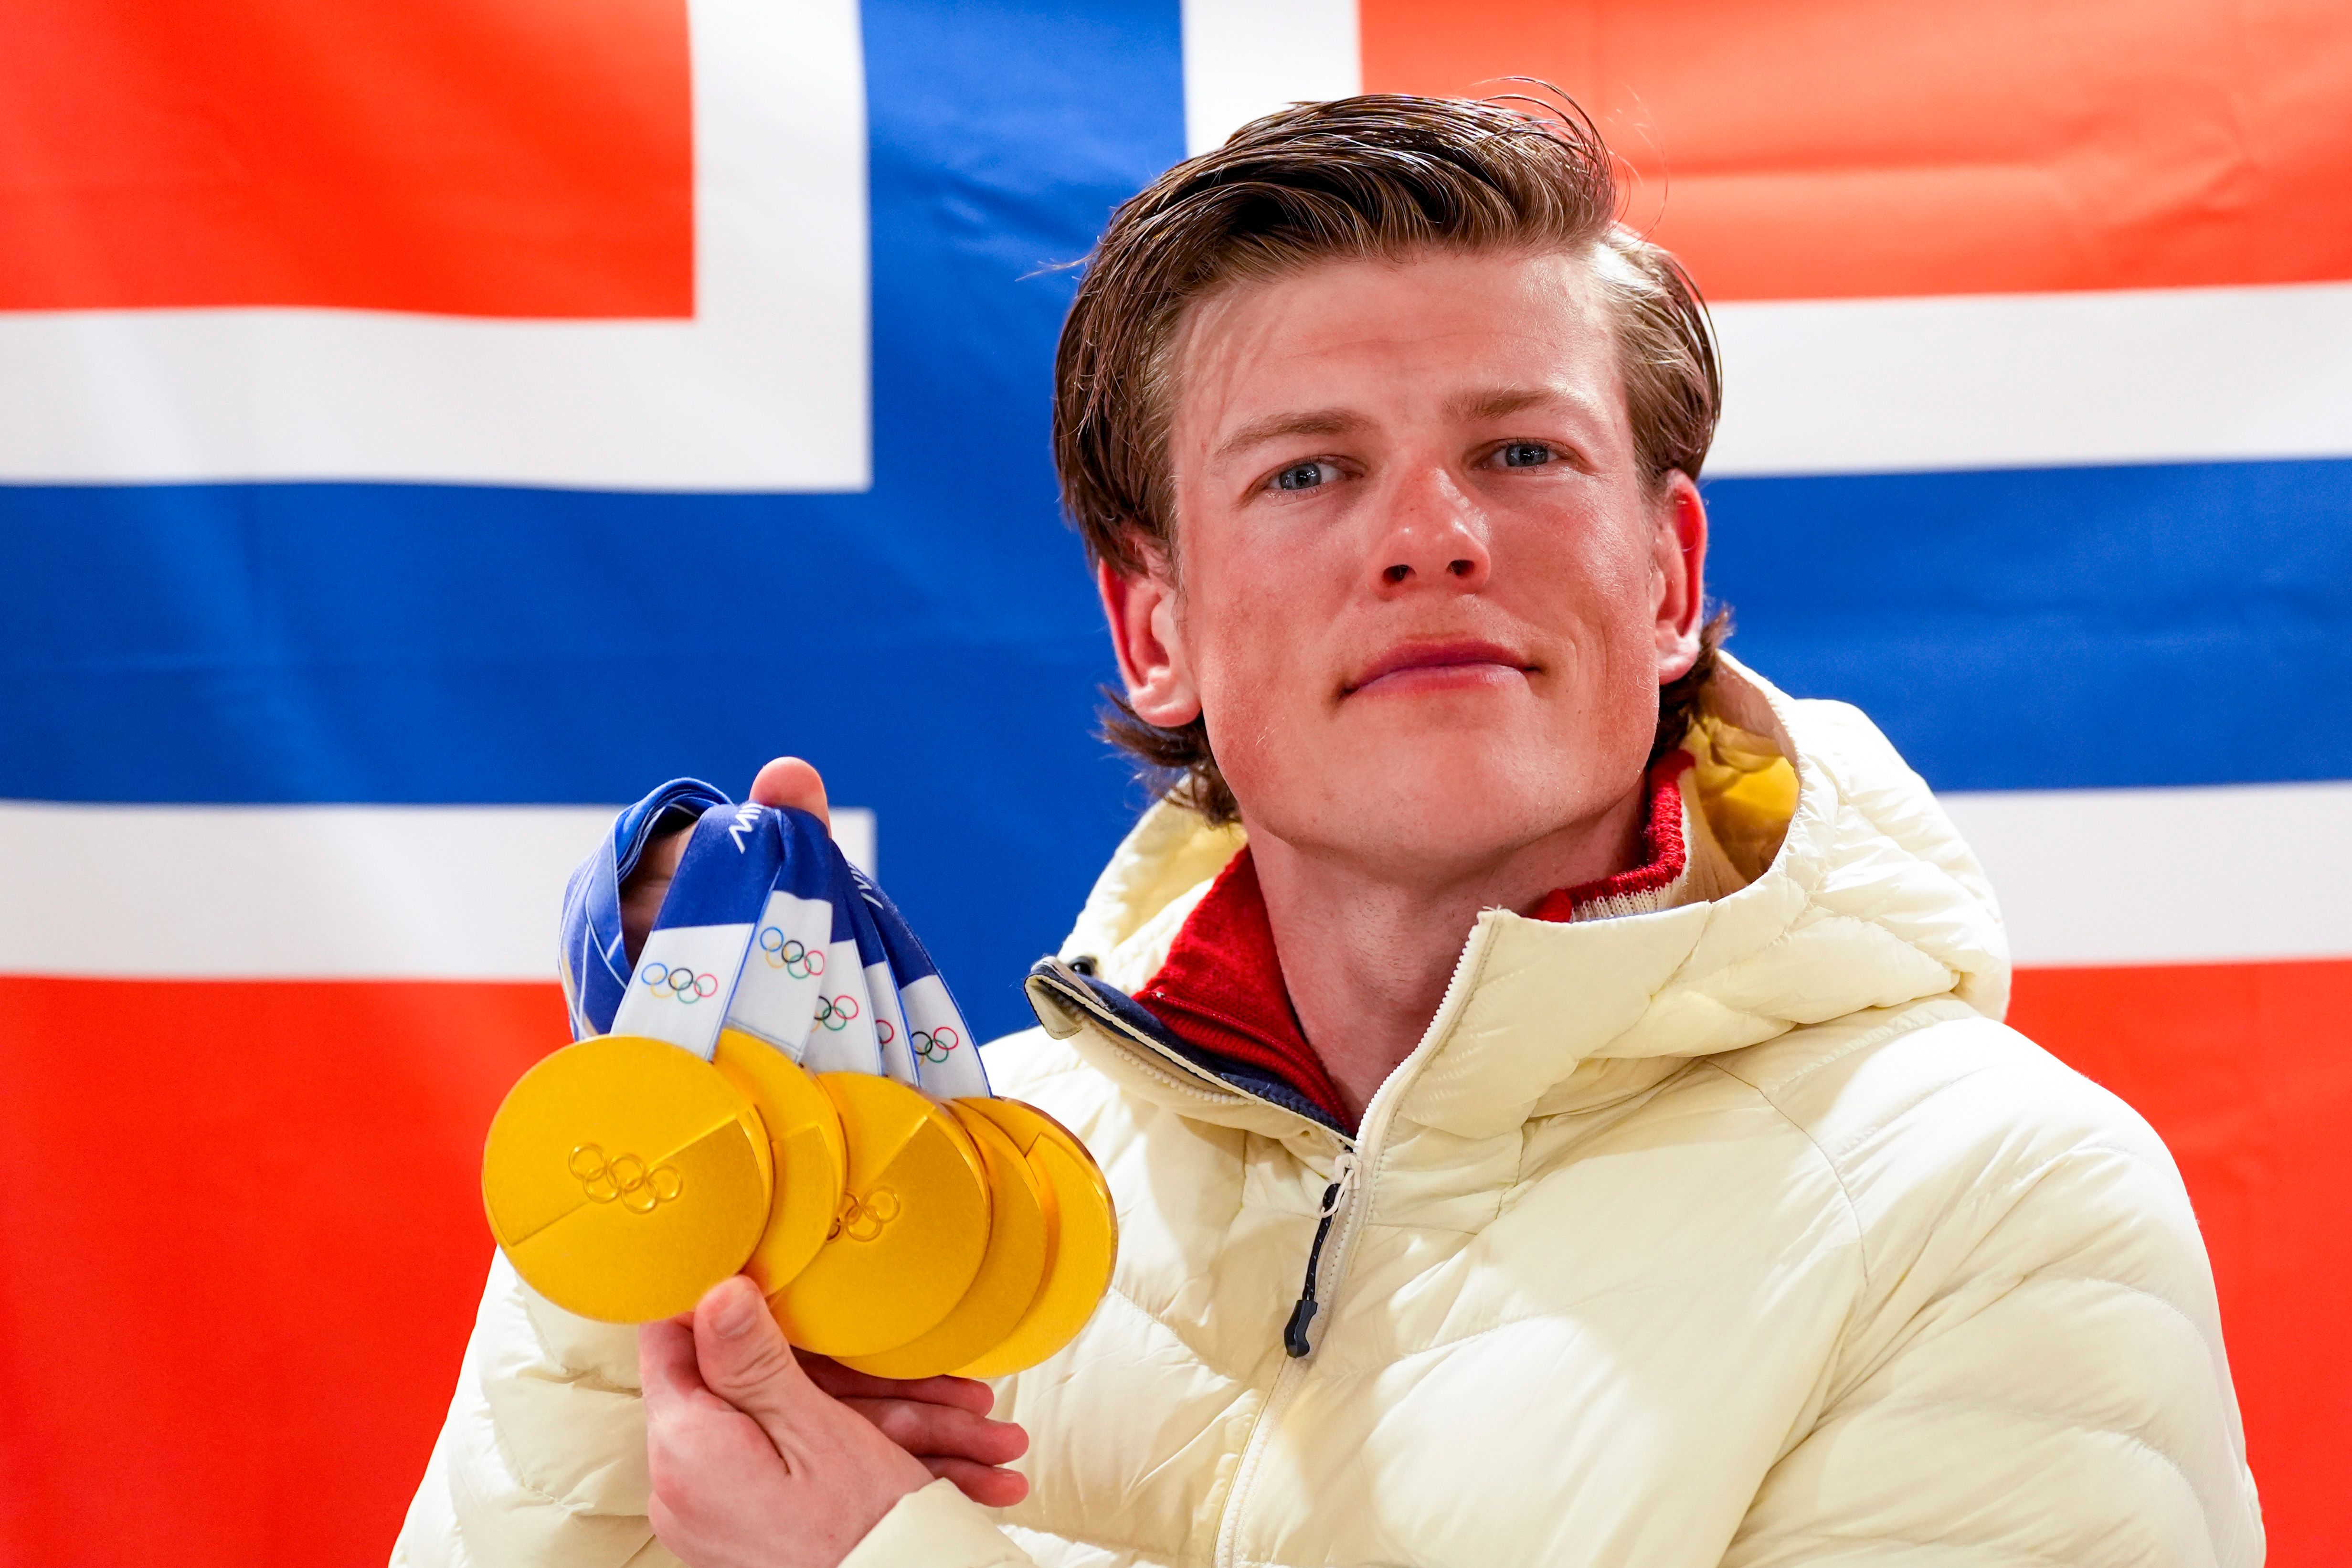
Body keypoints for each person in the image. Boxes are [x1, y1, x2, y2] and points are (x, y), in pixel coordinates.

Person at [395, 94, 2262, 1568]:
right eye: (1308, 469)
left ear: (1667, 575)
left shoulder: (1990, 1197)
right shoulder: (940, 1173)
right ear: (1156, 631)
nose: (1431, 534)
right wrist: (687, 1191)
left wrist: (888, 1553)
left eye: (1521, 452)